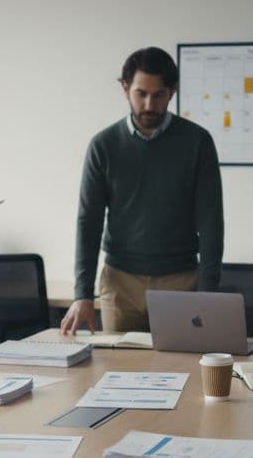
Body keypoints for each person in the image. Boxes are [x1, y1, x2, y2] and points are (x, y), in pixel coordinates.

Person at [60, 46, 223, 334]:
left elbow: (211, 222)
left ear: (172, 91)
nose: (149, 104)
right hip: (120, 283)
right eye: (141, 93)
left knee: (181, 369)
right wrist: (82, 294)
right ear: (125, 88)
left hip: (181, 281)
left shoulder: (197, 142)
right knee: (117, 371)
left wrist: (208, 294)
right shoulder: (104, 145)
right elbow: (89, 221)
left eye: (159, 95)